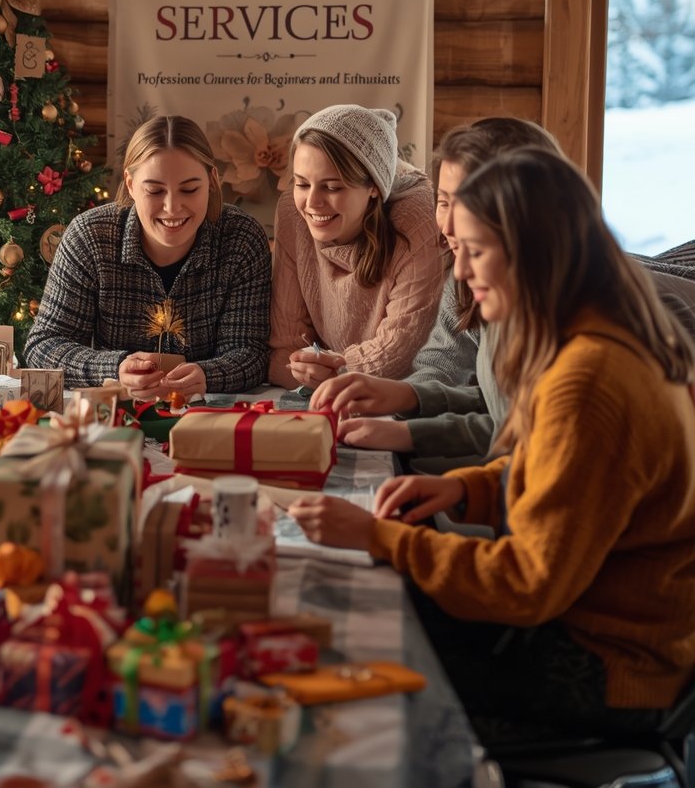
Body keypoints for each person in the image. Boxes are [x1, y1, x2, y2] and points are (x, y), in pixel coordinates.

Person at [290, 148, 695, 744]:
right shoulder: (598, 338)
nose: (461, 273)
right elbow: (564, 481)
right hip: (603, 633)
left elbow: (527, 585)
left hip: (609, 667)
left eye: (475, 252)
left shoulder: (589, 379)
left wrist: (374, 535)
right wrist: (464, 487)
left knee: (341, 652)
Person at [308, 117, 560, 461]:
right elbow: (493, 399)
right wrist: (405, 396)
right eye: (443, 202)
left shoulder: (570, 306)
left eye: (469, 202)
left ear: (524, 204)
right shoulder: (470, 276)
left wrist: (412, 432)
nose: (448, 227)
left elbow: (533, 432)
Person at [24, 115, 271, 397]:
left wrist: (207, 375)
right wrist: (115, 368)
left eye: (190, 189)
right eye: (154, 190)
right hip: (116, 417)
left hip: (207, 420)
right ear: (130, 184)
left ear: (212, 180)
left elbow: (250, 352)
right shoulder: (90, 237)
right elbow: (43, 346)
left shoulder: (241, 238)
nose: (172, 207)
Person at [268, 104, 445, 390]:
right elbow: (282, 351)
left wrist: (330, 370)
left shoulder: (420, 220)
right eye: (302, 184)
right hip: (334, 391)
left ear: (373, 186)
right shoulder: (292, 211)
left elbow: (402, 354)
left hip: (408, 397)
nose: (312, 203)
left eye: (332, 187)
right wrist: (316, 369)